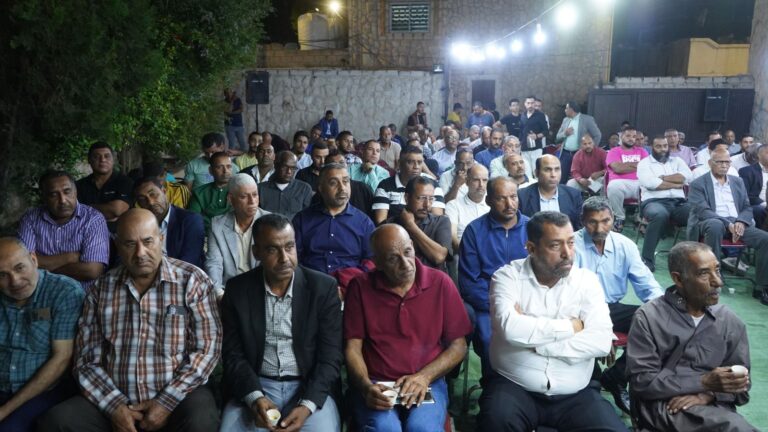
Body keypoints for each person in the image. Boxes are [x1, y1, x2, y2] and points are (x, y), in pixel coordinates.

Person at [38, 209, 222, 432]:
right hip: (114, 398)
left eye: (148, 241)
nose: (140, 253)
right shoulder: (101, 289)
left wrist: (166, 402)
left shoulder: (192, 281)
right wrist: (114, 406)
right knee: (58, 421)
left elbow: (206, 350)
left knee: (201, 420)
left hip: (178, 398)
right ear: (117, 245)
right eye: (129, 244)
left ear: (161, 239)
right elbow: (86, 359)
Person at [478, 212, 628, 432]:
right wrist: (572, 326)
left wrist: (535, 341)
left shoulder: (587, 281)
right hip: (515, 387)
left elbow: (601, 342)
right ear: (531, 248)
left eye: (571, 243)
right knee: (495, 422)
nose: (567, 253)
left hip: (576, 392)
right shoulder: (507, 278)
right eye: (555, 245)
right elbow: (511, 330)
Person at [219, 214, 342, 432]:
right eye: (272, 250)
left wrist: (307, 405)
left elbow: (330, 358)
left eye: (289, 247)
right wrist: (254, 397)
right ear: (256, 253)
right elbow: (233, 354)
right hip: (256, 383)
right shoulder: (238, 290)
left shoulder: (323, 288)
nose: (284, 258)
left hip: (308, 387)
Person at [344, 224, 471, 431]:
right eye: (393, 258)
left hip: (428, 380)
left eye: (407, 252)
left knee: (423, 428)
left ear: (413, 246)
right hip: (377, 382)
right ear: (377, 263)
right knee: (385, 428)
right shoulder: (360, 286)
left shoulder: (440, 282)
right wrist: (365, 386)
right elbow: (353, 348)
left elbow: (459, 346)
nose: (405, 264)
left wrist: (424, 376)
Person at [627, 242, 756, 431]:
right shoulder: (649, 317)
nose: (718, 282)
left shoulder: (729, 320)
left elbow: (742, 384)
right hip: (664, 407)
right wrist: (703, 382)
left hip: (713, 406)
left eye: (717, 270)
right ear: (678, 279)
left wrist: (709, 394)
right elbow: (642, 383)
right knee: (735, 427)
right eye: (704, 273)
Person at [573, 197, 663, 414]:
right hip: (578, 312)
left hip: (613, 308)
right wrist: (604, 331)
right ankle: (591, 384)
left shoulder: (625, 245)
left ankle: (617, 376)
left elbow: (647, 284)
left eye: (605, 221)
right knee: (588, 388)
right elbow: (569, 297)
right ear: (582, 221)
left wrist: (664, 310)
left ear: (613, 218)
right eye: (592, 222)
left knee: (658, 322)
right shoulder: (571, 245)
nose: (599, 228)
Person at [0, 238, 83, 432]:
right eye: (2, 275)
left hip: (43, 390)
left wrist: (4, 411)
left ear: (34, 260)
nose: (15, 281)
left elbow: (61, 359)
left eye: (20, 268)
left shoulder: (64, 292)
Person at [459, 177, 529, 377]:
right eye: (501, 198)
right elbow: (469, 283)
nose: (509, 204)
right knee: (490, 340)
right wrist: (501, 305)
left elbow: (541, 273)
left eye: (513, 197)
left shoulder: (533, 228)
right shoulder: (474, 231)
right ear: (488, 200)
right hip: (488, 306)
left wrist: (524, 304)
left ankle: (529, 385)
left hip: (527, 303)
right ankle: (494, 387)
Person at [688, 148, 768, 304]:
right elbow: (702, 211)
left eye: (727, 162)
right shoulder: (698, 183)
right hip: (710, 220)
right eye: (720, 162)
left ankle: (762, 287)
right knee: (716, 225)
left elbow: (746, 207)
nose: (724, 165)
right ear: (710, 163)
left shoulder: (737, 182)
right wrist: (728, 224)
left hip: (737, 222)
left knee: (765, 239)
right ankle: (713, 278)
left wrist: (741, 222)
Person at [18, 170, 109, 291]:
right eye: (54, 195)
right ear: (44, 197)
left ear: (75, 192)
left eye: (67, 192)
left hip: (83, 296)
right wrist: (69, 258)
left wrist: (42, 270)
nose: (62, 200)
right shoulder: (30, 219)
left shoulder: (93, 219)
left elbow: (92, 270)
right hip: (42, 293)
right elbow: (22, 263)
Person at [293, 163, 375, 274]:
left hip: (351, 281)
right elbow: (293, 257)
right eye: (333, 183)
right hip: (311, 280)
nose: (342, 188)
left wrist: (353, 278)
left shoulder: (364, 222)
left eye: (345, 181)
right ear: (321, 188)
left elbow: (371, 261)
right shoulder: (302, 219)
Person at [205, 174, 270, 297]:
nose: (252, 201)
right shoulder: (217, 225)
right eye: (244, 196)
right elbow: (213, 264)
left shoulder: (270, 223)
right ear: (231, 199)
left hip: (262, 290)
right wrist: (218, 293)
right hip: (230, 290)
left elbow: (272, 266)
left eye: (255, 195)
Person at [637, 135, 693, 272]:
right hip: (653, 202)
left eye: (665, 146)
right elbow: (651, 184)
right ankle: (647, 259)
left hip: (679, 203)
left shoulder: (677, 161)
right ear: (652, 147)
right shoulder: (644, 163)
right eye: (658, 146)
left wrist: (662, 178)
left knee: (696, 212)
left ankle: (693, 258)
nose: (662, 149)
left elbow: (687, 177)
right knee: (659, 215)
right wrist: (676, 184)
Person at [134, 177, 205, 267]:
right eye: (142, 199)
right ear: (139, 204)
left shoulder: (191, 220)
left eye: (153, 194)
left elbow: (189, 263)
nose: (151, 202)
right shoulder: (139, 225)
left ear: (164, 191)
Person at [386, 177, 452, 272]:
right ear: (406, 198)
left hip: (433, 278)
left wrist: (411, 226)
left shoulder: (441, 221)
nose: (427, 204)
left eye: (431, 199)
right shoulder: (391, 225)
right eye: (421, 198)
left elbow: (439, 257)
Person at [372, 146, 445, 225]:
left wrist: (411, 227)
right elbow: (381, 223)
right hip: (394, 230)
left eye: (420, 162)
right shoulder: (385, 186)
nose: (416, 167)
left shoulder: (433, 185)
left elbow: (437, 221)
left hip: (426, 231)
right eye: (410, 162)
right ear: (399, 163)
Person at [76, 142, 133, 232]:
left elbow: (116, 210)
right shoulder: (79, 185)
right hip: (87, 233)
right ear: (89, 160)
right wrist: (108, 209)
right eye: (97, 156)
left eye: (107, 156)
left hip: (118, 235)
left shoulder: (125, 182)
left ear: (113, 160)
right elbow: (74, 211)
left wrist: (85, 207)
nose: (102, 160)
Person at [518, 155, 583, 230]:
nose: (553, 175)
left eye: (557, 169)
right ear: (537, 173)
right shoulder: (522, 196)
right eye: (547, 170)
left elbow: (579, 228)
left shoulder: (573, 195)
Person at [606, 125, 648, 232]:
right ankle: (619, 217)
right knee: (613, 186)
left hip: (640, 182)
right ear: (621, 137)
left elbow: (647, 167)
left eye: (633, 136)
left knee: (650, 185)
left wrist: (626, 165)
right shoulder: (614, 151)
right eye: (628, 136)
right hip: (621, 183)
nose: (631, 139)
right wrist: (638, 165)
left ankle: (641, 217)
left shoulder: (642, 151)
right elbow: (618, 168)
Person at [445, 164, 490, 253]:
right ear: (467, 182)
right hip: (464, 253)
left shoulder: (494, 205)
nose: (481, 184)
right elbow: (453, 238)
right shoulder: (453, 206)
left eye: (484, 180)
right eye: (476, 180)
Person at [556, 101, 602, 185]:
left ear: (571, 109)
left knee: (579, 179)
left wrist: (590, 150)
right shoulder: (565, 120)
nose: (565, 110)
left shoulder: (587, 119)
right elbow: (557, 137)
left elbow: (597, 135)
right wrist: (565, 133)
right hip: (565, 154)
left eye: (566, 108)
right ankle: (561, 192)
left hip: (580, 154)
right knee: (561, 178)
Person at [257, 151, 313, 220]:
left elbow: (307, 217)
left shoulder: (304, 189)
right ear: (276, 166)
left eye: (293, 168)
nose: (289, 171)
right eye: (285, 167)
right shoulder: (260, 189)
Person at [188, 151, 235, 232]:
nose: (225, 171)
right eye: (219, 167)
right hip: (205, 235)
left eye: (229, 166)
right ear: (211, 170)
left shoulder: (240, 191)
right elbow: (193, 220)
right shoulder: (199, 193)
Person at [738, 143, 768, 229]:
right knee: (759, 210)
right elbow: (746, 195)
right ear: (759, 155)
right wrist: (765, 204)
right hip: (759, 205)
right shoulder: (746, 171)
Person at [519, 96, 549, 178]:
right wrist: (519, 143)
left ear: (534, 103)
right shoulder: (523, 115)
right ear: (525, 104)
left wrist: (536, 136)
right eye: (528, 103)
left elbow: (546, 131)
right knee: (526, 173)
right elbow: (521, 131)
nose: (530, 105)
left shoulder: (540, 115)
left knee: (536, 172)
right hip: (524, 149)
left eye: (532, 103)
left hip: (536, 148)